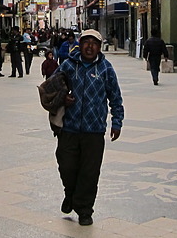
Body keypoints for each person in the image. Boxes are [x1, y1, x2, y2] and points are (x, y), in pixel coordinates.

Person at [52, 29, 124, 226]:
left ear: (99, 47)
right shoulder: (67, 65)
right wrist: (62, 97)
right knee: (66, 166)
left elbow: (115, 97)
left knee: (89, 172)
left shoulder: (106, 68)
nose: (89, 46)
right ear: (80, 44)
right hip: (69, 128)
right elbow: (51, 86)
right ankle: (70, 194)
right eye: (86, 42)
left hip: (94, 130)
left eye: (94, 43)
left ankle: (85, 210)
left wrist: (117, 121)